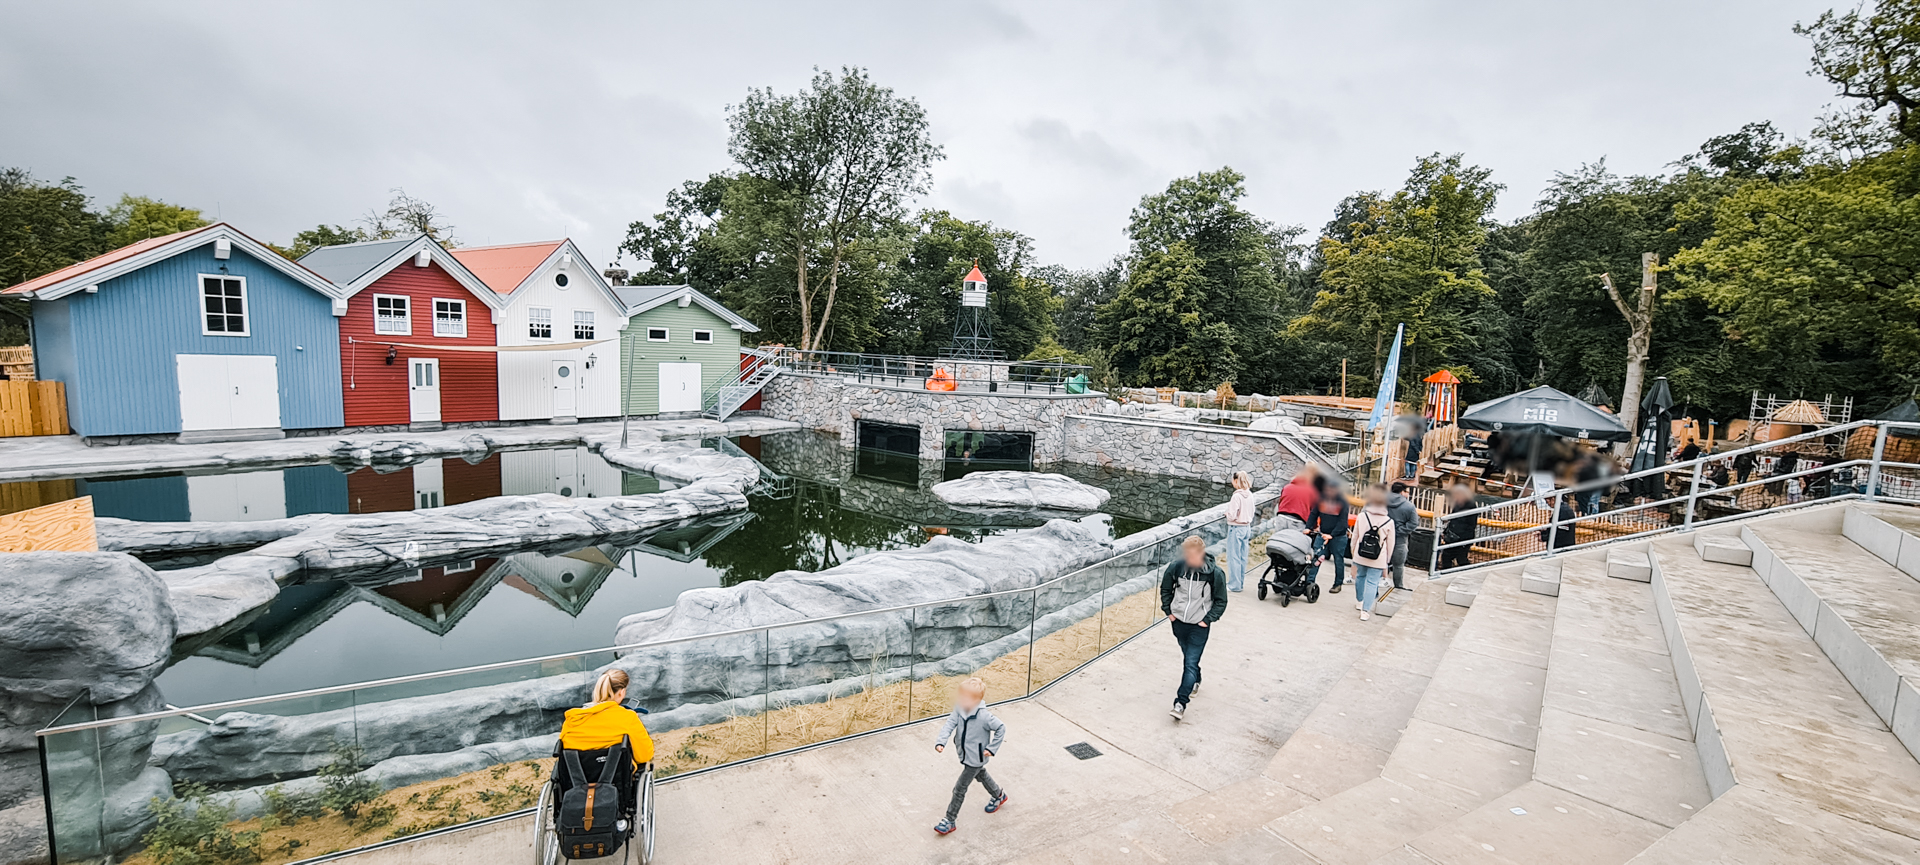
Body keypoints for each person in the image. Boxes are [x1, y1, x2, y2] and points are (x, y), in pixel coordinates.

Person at [1160, 535, 1227, 721]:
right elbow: (1165, 589)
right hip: (1179, 622)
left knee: (1189, 663)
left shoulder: (1215, 574)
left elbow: (1221, 601)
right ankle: (1196, 679)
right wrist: (1169, 612)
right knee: (1188, 656)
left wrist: (1207, 620)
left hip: (1199, 625)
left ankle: (1180, 703)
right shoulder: (1176, 567)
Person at [931, 677, 1008, 836]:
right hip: (965, 754)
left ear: (975, 700)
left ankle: (949, 820)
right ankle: (998, 795)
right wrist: (941, 742)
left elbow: (1001, 728)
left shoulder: (984, 716)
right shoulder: (959, 709)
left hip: (976, 757)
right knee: (981, 774)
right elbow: (949, 725)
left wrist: (991, 749)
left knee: (959, 788)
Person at [559, 669, 655, 767]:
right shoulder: (628, 717)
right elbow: (644, 756)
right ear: (621, 692)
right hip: (618, 779)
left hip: (576, 780)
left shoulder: (572, 720)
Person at [1350, 485, 1396, 621]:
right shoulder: (1389, 521)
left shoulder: (1362, 516)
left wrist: (1354, 553)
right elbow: (1390, 544)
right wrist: (1386, 561)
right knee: (1372, 582)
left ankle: (1359, 601)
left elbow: (1355, 536)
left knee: (1360, 577)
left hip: (1360, 553)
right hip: (1378, 557)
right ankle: (1365, 611)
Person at [1311, 481, 1351, 593]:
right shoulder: (1321, 499)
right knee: (1316, 557)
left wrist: (1332, 535)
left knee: (1338, 559)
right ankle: (1310, 581)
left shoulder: (1342, 502)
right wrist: (1308, 527)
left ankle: (1338, 584)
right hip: (1323, 533)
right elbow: (1314, 514)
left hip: (1338, 536)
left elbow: (1343, 522)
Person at [1223, 472, 1256, 592]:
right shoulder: (1250, 495)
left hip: (1236, 528)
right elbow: (1252, 512)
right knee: (1242, 556)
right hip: (1246, 527)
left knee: (1233, 557)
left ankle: (1234, 585)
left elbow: (1232, 515)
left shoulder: (1236, 496)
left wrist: (1227, 514)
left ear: (1236, 481)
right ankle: (1240, 583)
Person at [1437, 484, 1478, 571]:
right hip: (1453, 536)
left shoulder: (1470, 506)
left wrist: (1463, 539)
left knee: (1461, 559)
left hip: (1463, 538)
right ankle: (1446, 573)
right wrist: (1445, 532)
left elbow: (1470, 525)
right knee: (1446, 557)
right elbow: (1452, 519)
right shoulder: (1458, 504)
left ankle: (1467, 572)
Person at [1386, 482, 1418, 591]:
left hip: (1382, 536)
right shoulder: (1409, 506)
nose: (1408, 494)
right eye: (1407, 492)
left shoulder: (1381, 501)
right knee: (1398, 565)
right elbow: (1414, 523)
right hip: (1399, 538)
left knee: (1379, 561)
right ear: (1402, 492)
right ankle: (1398, 586)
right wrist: (1400, 530)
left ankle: (1377, 582)